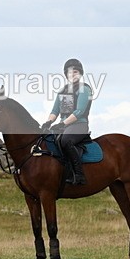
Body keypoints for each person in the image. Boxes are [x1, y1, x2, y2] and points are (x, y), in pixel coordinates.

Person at [41, 58, 93, 186]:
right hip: (63, 125)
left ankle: (79, 175)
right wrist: (48, 122)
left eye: (75, 72)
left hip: (79, 124)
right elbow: (55, 111)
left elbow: (79, 111)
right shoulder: (63, 91)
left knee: (65, 141)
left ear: (80, 73)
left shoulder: (84, 89)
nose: (73, 74)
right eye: (70, 72)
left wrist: (63, 124)